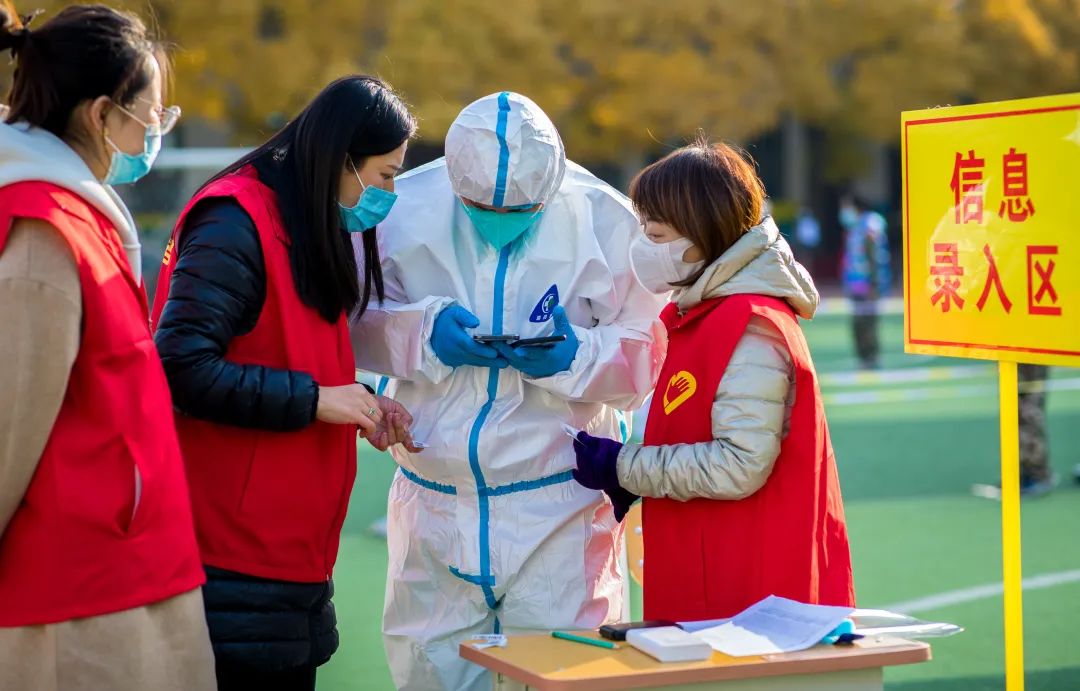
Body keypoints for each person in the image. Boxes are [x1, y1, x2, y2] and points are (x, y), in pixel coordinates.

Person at [350, 91, 666, 690]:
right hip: (432, 498)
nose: (498, 222)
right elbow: (349, 318)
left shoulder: (608, 219)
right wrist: (420, 333)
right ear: (452, 180)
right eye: (476, 206)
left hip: (560, 507)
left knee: (570, 676)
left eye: (523, 209)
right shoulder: (396, 206)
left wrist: (578, 358)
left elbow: (652, 350)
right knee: (431, 676)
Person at [150, 76, 419, 691]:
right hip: (229, 556)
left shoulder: (307, 222)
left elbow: (292, 357)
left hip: (289, 559)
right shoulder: (236, 220)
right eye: (385, 175)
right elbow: (179, 367)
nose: (391, 194)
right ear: (341, 158)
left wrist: (359, 405)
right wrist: (318, 401)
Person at [0, 4, 215, 690]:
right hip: (73, 607)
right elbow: (10, 426)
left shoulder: (77, 216)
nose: (158, 129)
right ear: (101, 114)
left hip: (122, 581)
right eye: (152, 113)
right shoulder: (44, 232)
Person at [570, 139, 855, 622]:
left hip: (750, 589)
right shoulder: (704, 313)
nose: (644, 247)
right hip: (716, 571)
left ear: (701, 238)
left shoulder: (749, 326)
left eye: (656, 236)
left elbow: (738, 464)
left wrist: (625, 467)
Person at [973, 363, 1057, 499]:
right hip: (1016, 356)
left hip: (1029, 354)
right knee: (1015, 413)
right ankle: (1019, 476)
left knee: (1028, 415)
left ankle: (1036, 475)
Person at [839, 194, 891, 369]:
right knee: (857, 324)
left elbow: (874, 257)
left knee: (868, 323)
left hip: (868, 285)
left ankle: (872, 357)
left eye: (846, 207)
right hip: (856, 285)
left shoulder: (870, 226)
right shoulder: (855, 227)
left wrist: (874, 284)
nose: (843, 212)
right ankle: (863, 357)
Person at [794, 205, 821, 275]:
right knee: (803, 260)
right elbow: (798, 233)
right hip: (803, 244)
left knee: (808, 260)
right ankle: (803, 274)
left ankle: (808, 274)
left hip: (809, 244)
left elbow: (815, 233)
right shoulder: (801, 222)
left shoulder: (812, 222)